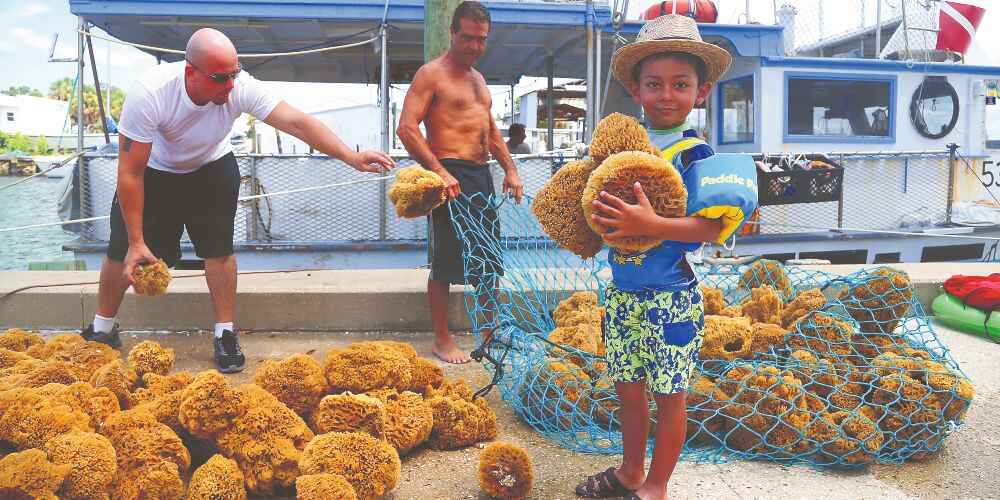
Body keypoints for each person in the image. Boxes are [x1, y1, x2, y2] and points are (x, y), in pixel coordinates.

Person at [81, 28, 394, 373]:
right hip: (156, 172)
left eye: (234, 74)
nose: (230, 86)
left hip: (213, 168)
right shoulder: (151, 92)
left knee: (219, 251)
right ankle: (102, 329)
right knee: (119, 248)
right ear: (191, 73)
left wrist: (351, 156)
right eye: (220, 78)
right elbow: (130, 173)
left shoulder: (238, 85)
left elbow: (297, 123)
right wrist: (137, 242)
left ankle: (225, 333)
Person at [574, 14, 749, 500]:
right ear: (636, 89)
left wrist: (651, 226)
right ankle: (631, 470)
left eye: (680, 84)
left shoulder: (698, 155)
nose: (666, 94)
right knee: (628, 391)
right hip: (623, 296)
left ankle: (657, 485)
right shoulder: (621, 151)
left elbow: (710, 230)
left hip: (672, 298)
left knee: (671, 398)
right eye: (654, 84)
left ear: (701, 92)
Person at [397, 0, 524, 364]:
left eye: (481, 39)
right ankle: (441, 339)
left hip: (480, 176)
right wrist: (439, 171)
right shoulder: (431, 74)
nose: (474, 46)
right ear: (453, 33)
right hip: (447, 177)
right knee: (445, 263)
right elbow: (406, 127)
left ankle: (488, 333)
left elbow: (491, 132)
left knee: (488, 258)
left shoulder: (479, 80)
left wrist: (510, 170)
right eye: (467, 38)